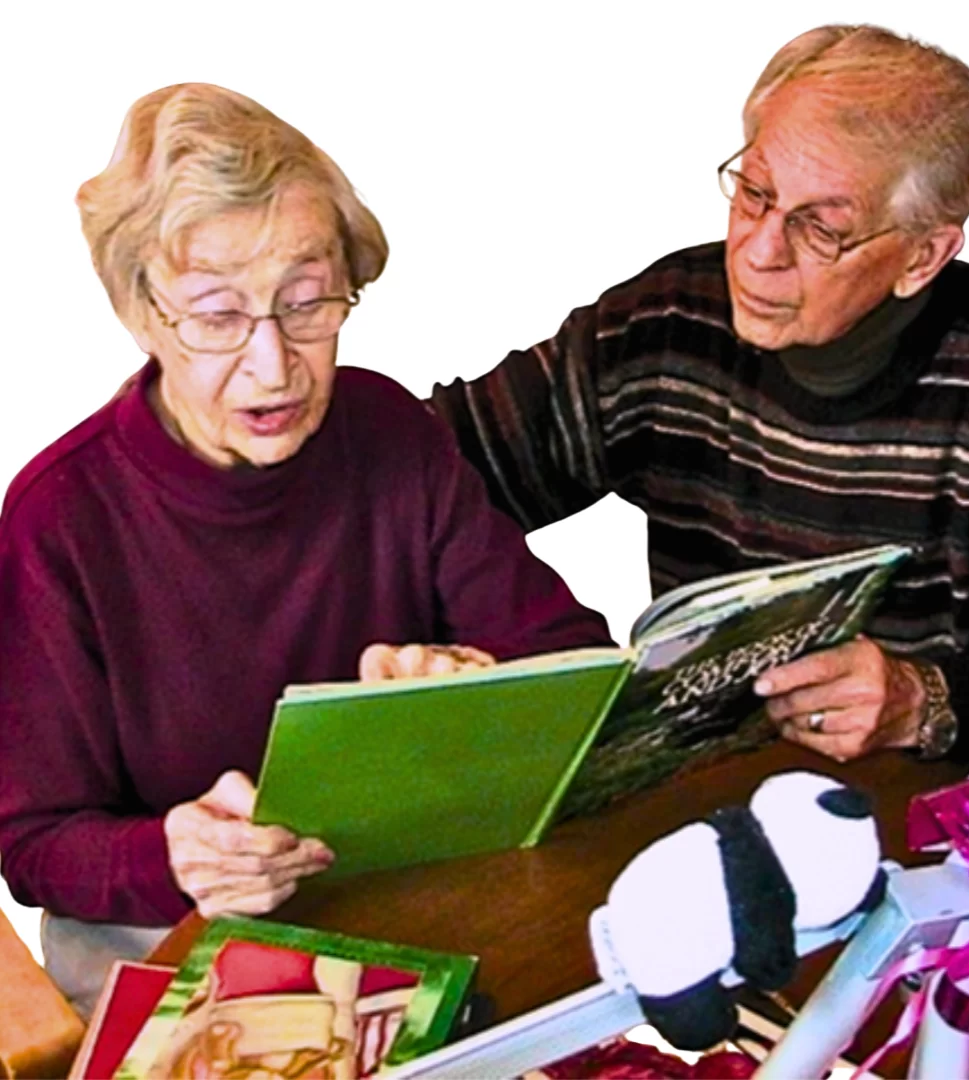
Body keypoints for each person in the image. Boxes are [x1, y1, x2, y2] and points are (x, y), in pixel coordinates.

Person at [0, 83, 611, 1016]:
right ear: (140, 313)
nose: (275, 363)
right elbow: (33, 842)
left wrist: (475, 688)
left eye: (308, 303)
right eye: (216, 316)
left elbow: (577, 660)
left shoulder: (387, 430)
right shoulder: (61, 516)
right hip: (175, 940)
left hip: (412, 910)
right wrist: (172, 852)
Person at [429, 24, 969, 769]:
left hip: (929, 815)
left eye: (820, 228)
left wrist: (921, 699)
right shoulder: (669, 322)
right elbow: (433, 475)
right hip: (691, 784)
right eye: (754, 194)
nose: (757, 253)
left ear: (922, 256)